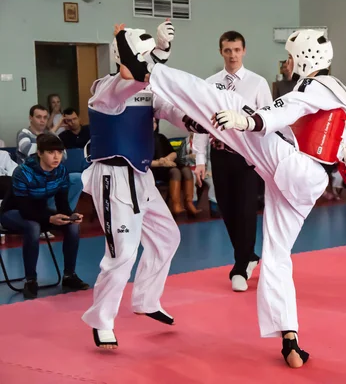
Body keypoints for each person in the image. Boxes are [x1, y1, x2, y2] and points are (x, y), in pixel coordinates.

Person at [116, 26, 346, 368]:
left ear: (305, 57)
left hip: (296, 167)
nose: (289, 63)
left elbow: (287, 108)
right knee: (276, 255)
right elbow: (337, 122)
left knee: (228, 103)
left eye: (291, 57)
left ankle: (149, 71)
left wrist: (250, 119)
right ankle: (290, 338)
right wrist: (343, 147)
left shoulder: (316, 87)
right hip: (305, 180)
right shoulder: (336, 90)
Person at [81, 21, 183, 350]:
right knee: (122, 253)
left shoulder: (146, 88)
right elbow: (131, 79)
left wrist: (195, 120)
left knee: (168, 236)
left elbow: (166, 107)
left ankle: (146, 300)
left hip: (141, 175)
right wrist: (160, 52)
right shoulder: (106, 89)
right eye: (144, 58)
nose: (148, 66)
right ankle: (101, 320)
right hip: (112, 178)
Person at [193, 31, 273, 292]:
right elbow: (201, 122)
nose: (232, 55)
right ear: (221, 52)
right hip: (219, 152)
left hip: (249, 156)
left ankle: (240, 265)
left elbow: (269, 121)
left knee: (246, 209)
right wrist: (200, 158)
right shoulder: (210, 83)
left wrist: (268, 158)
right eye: (227, 50)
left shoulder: (258, 83)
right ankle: (248, 255)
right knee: (226, 208)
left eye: (237, 50)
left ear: (244, 51)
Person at [0, 134, 89, 299]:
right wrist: (49, 219)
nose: (56, 156)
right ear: (40, 153)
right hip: (13, 213)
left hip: (40, 211)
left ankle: (69, 276)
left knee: (72, 226)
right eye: (51, 152)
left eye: (59, 152)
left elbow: (62, 204)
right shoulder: (23, 172)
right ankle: (31, 280)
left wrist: (71, 215)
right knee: (33, 227)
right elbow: (25, 209)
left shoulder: (61, 170)